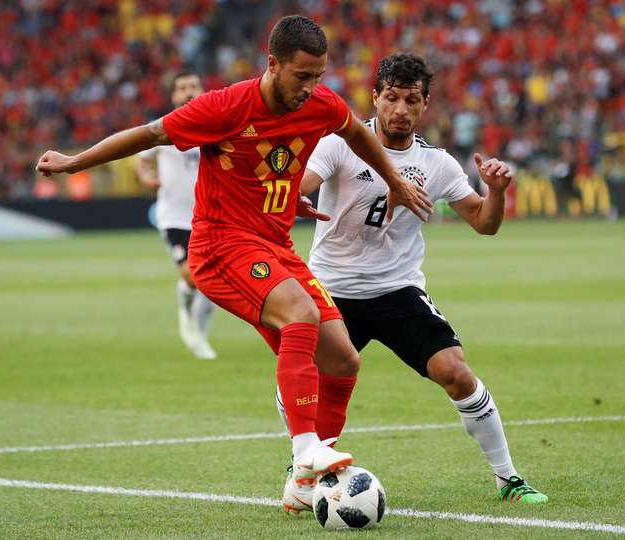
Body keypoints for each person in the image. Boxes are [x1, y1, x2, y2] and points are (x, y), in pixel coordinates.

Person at [35, 16, 432, 512]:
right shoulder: (224, 107)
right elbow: (150, 134)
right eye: (301, 76)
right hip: (220, 246)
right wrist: (76, 162)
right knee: (301, 317)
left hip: (275, 244)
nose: (311, 89)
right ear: (273, 64)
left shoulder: (321, 104)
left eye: (318, 76)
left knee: (342, 358)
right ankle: (306, 450)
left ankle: (303, 487)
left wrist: (392, 179)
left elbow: (355, 133)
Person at [283, 52, 548, 505]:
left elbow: (485, 223)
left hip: (396, 290)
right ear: (376, 98)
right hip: (331, 290)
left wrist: (497, 192)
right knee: (314, 381)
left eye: (411, 100)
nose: (400, 109)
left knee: (457, 373)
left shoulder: (437, 163)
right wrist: (292, 195)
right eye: (392, 98)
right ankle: (303, 472)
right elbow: (298, 187)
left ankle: (508, 478)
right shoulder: (339, 144)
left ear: (425, 105)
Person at [135, 72, 217, 360]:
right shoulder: (164, 129)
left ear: (203, 90)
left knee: (215, 280)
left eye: (194, 86)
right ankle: (187, 310)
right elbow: (142, 159)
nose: (189, 92)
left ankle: (200, 335)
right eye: (182, 88)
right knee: (194, 276)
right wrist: (147, 178)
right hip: (175, 217)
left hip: (212, 217)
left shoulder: (215, 127)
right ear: (173, 96)